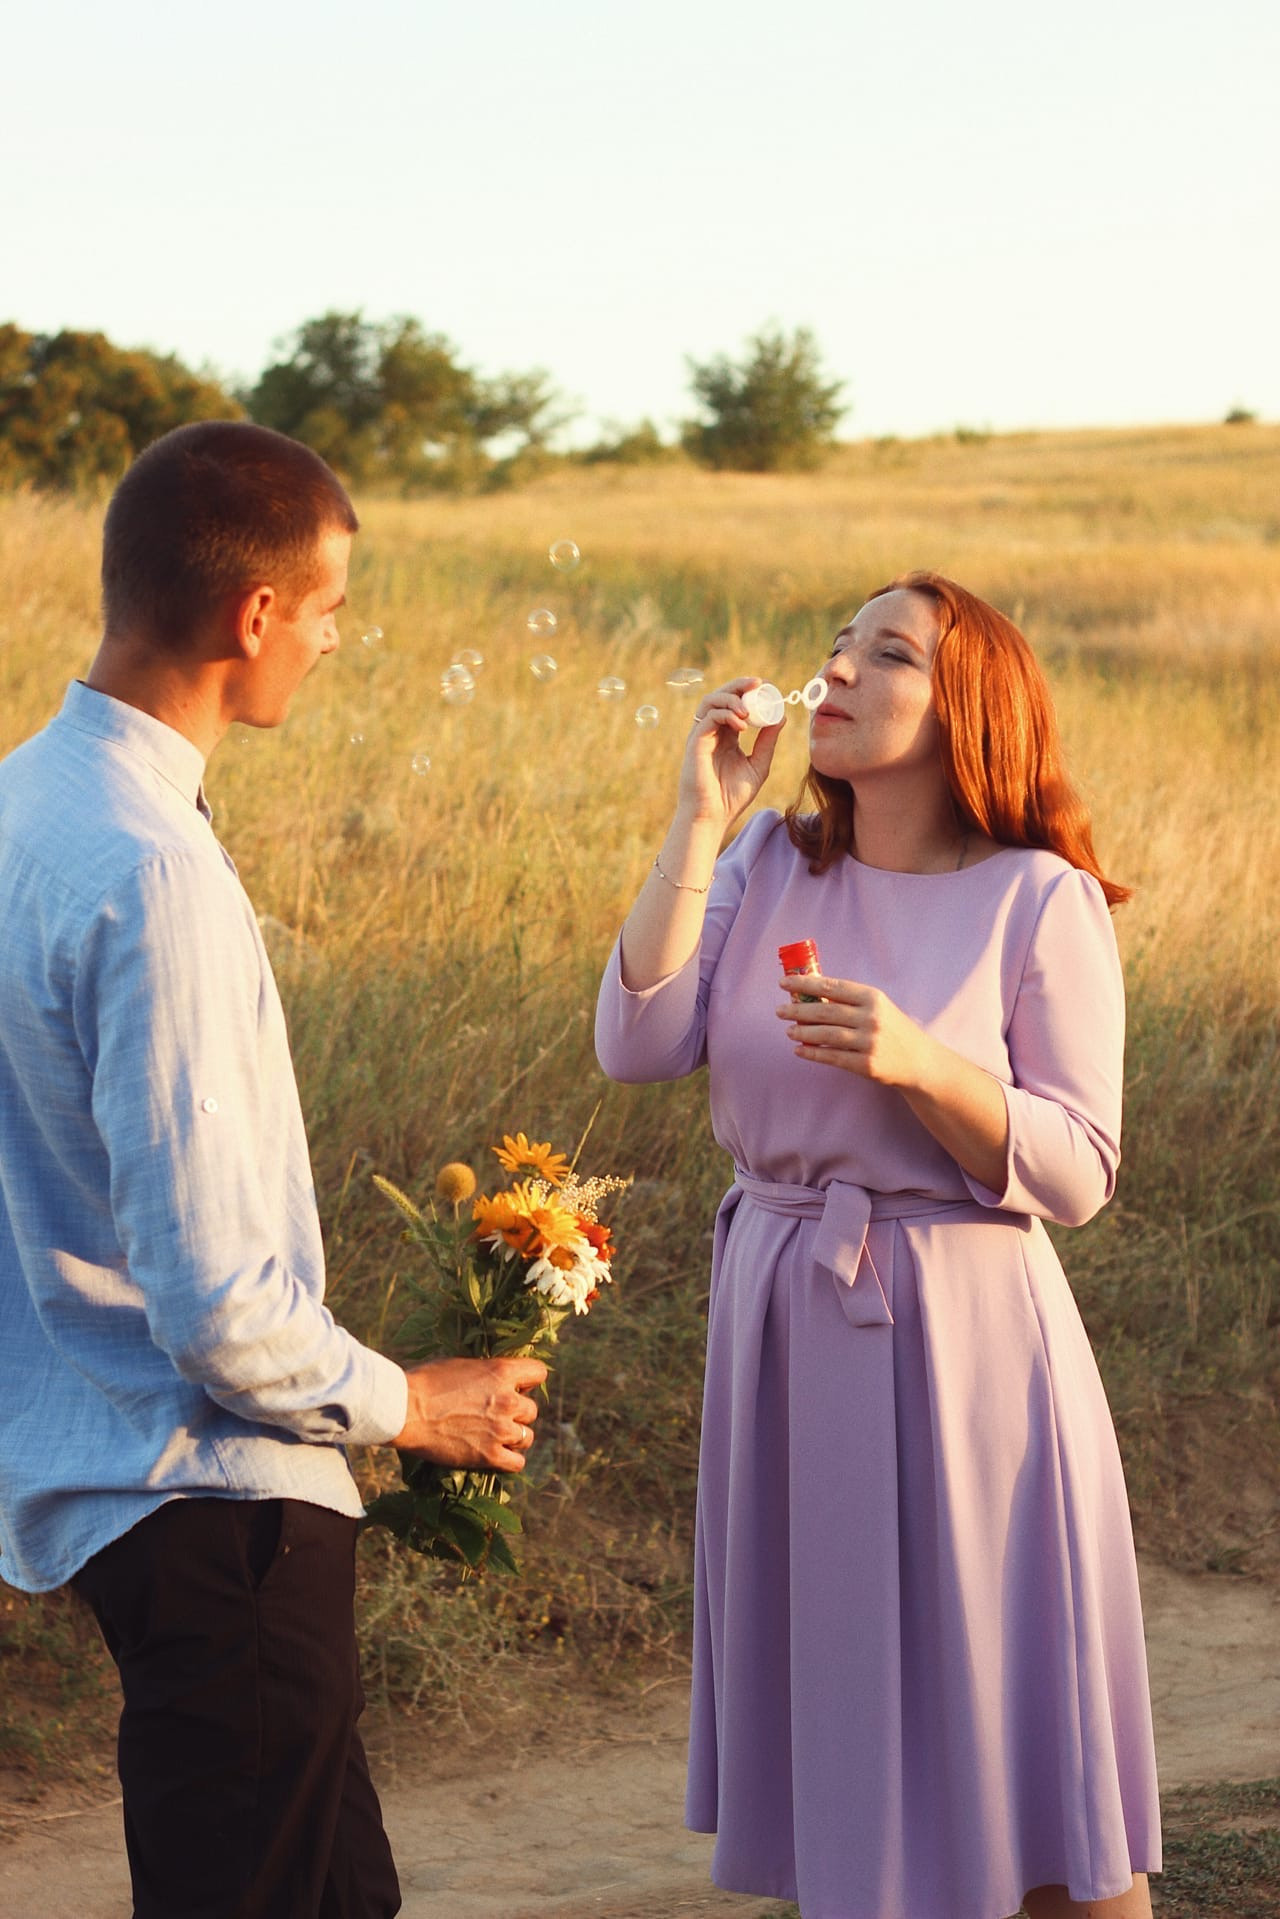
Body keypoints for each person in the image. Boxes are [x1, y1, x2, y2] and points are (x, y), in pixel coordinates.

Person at [0, 420, 547, 1919]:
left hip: (109, 1485)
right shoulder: (151, 868)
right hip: (215, 1511)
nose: (329, 643)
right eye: (329, 613)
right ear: (255, 617)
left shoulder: (18, 807)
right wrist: (411, 1402)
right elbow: (221, 1307)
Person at [594, 572, 1161, 1919]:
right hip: (784, 1321)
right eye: (835, 646)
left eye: (886, 654)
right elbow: (635, 1045)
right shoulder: (768, 859)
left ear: (966, 707)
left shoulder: (1038, 899)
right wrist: (699, 816)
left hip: (967, 1350)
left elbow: (1078, 1171)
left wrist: (923, 1066)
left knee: (1025, 1760)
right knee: (846, 1745)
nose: (836, 672)